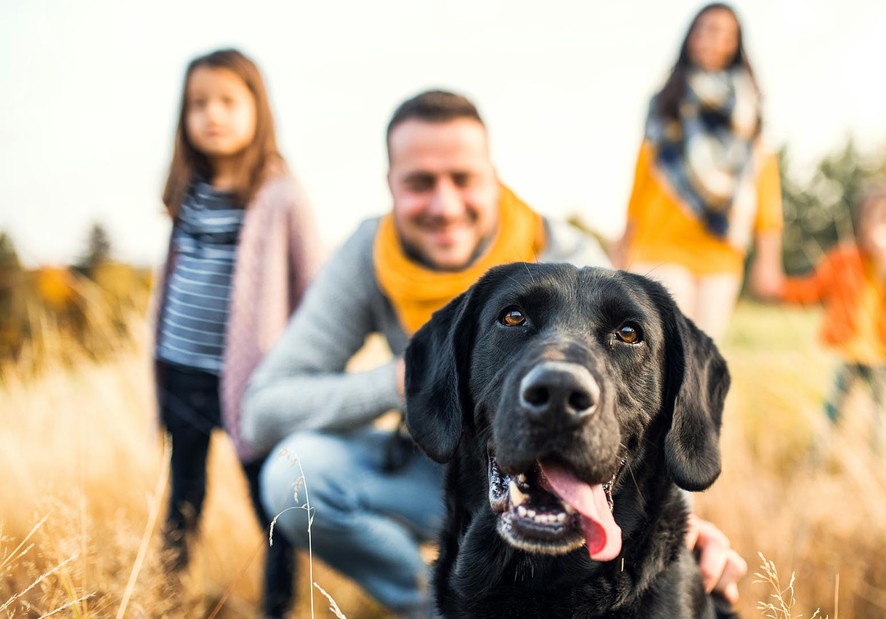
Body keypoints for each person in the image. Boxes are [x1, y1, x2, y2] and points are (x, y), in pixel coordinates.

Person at [242, 90, 748, 618]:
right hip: (446, 458)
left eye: (462, 179)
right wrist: (407, 381)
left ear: (493, 177)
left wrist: (682, 527)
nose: (444, 205)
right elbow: (263, 409)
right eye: (420, 183)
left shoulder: (571, 256)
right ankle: (429, 601)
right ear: (390, 185)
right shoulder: (368, 255)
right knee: (292, 470)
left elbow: (638, 401)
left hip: (583, 469)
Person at [152, 48, 323, 617]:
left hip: (253, 382)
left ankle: (280, 606)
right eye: (199, 104)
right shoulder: (186, 191)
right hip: (181, 370)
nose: (212, 115)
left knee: (270, 500)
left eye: (228, 101)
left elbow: (317, 291)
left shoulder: (281, 194)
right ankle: (166, 596)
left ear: (258, 109)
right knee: (183, 497)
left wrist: (304, 370)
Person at [617, 2, 785, 339]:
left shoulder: (750, 111)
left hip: (721, 251)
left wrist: (769, 259)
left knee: (702, 355)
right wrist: (623, 243)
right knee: (662, 345)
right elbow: (643, 177)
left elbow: (764, 184)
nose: (714, 39)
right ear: (691, 37)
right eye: (706, 29)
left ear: (736, 45)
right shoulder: (666, 101)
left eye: (725, 33)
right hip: (661, 244)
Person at [769, 179, 886, 448]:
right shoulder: (843, 259)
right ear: (861, 220)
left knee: (882, 415)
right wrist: (779, 289)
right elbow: (813, 290)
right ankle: (817, 457)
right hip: (851, 351)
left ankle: (880, 463)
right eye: (873, 216)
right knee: (833, 410)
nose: (879, 224)